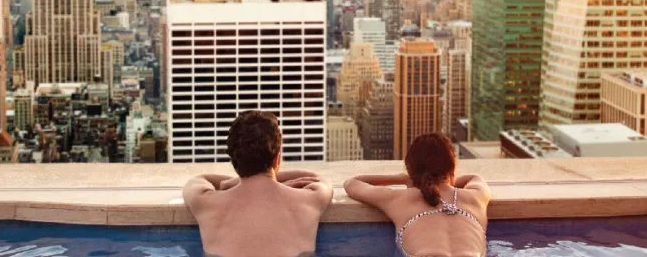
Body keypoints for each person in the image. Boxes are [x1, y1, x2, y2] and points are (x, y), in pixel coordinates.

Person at [182, 110, 334, 257]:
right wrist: (275, 179)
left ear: (234, 161)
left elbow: (197, 180)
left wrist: (234, 182)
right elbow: (319, 179)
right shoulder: (309, 201)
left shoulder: (206, 203)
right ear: (277, 159)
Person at [344, 133, 491, 257]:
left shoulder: (399, 199)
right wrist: (443, 183)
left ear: (410, 170)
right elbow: (475, 178)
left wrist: (403, 178)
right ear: (453, 167)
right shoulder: (476, 197)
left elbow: (352, 183)